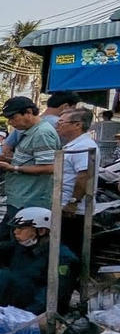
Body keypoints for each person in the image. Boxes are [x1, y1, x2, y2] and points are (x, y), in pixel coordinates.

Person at [0, 96, 61, 234]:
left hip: (30, 200)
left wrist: (13, 168)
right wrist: (4, 158)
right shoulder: (28, 131)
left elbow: (49, 167)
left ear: (29, 112)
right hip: (19, 198)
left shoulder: (42, 133)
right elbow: (29, 160)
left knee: (19, 241)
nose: (11, 122)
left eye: (13, 117)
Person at [59, 107, 99, 257]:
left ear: (77, 125)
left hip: (74, 211)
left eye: (62, 123)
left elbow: (84, 176)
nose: (59, 126)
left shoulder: (83, 146)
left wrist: (73, 203)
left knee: (70, 250)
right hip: (65, 205)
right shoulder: (74, 144)